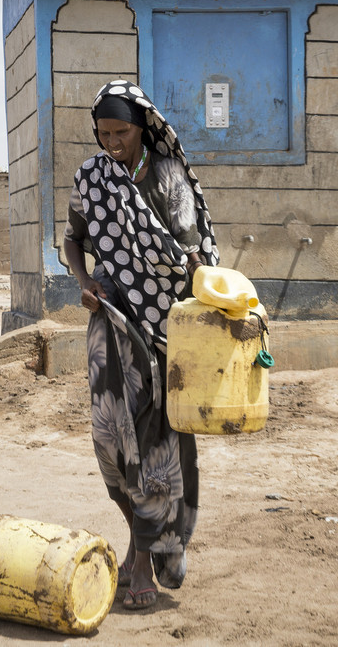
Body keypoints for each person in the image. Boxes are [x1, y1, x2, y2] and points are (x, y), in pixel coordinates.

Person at [62, 80, 218, 610]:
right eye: (103, 133)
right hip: (110, 328)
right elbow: (73, 238)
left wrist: (211, 296)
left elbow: (191, 256)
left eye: (120, 132)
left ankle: (143, 560)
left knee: (153, 447)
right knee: (111, 440)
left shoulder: (169, 177)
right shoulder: (91, 177)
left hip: (164, 333)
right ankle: (136, 545)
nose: (111, 143)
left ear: (142, 127)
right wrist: (84, 280)